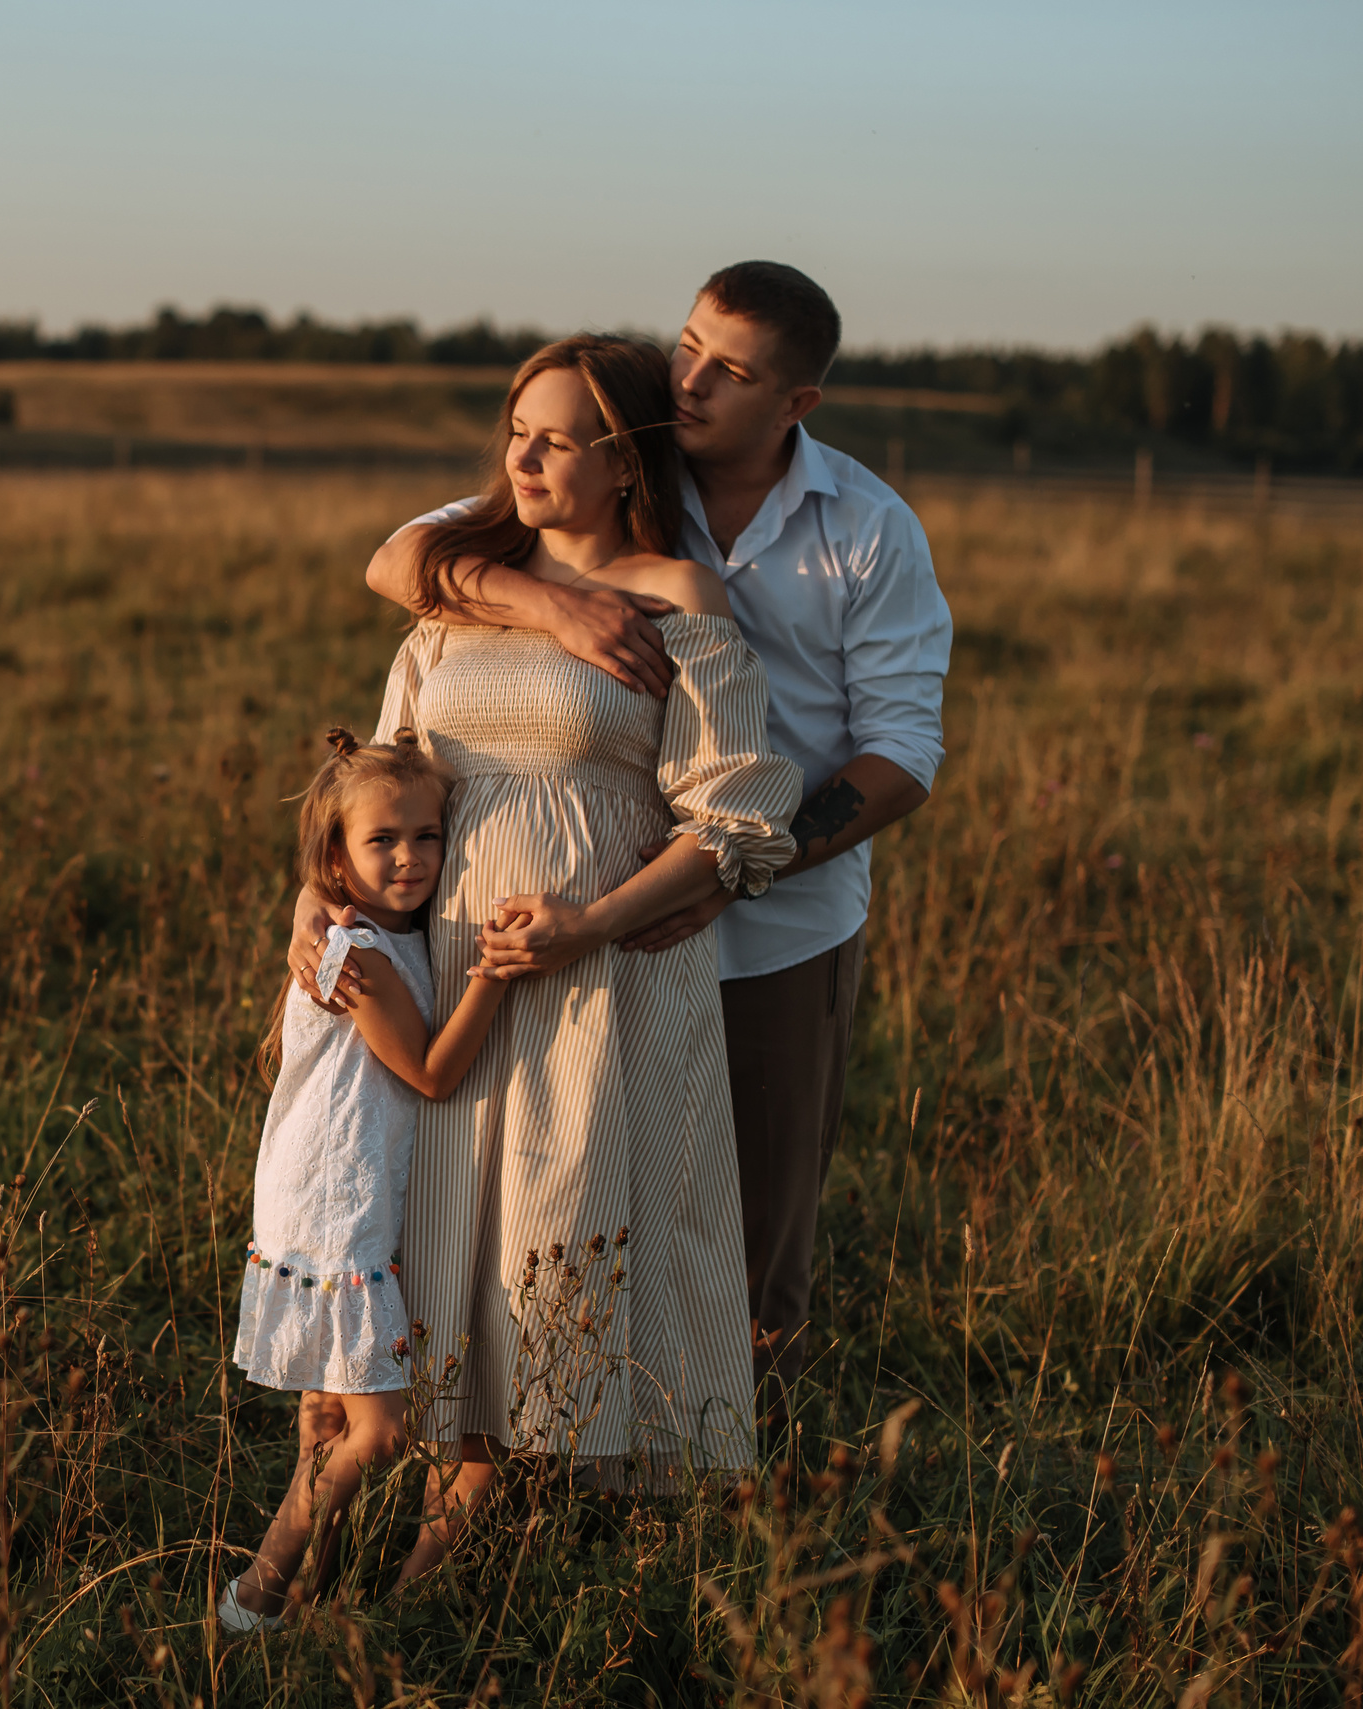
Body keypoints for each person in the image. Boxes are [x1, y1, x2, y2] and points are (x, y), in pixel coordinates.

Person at [326, 262, 954, 1430]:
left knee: (740, 1229)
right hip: (551, 929)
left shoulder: (865, 529)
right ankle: (539, 1450)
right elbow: (400, 557)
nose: (691, 380)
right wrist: (553, 604)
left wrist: (734, 868)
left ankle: (732, 1483)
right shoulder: (611, 449)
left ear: (796, 402)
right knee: (535, 1192)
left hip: (775, 921)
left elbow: (902, 751)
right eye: (687, 345)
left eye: (732, 370)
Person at [298, 333, 801, 1574]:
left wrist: (593, 920)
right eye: (515, 431)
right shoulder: (462, 587)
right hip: (445, 972)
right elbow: (379, 777)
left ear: (622, 460)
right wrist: (315, 901)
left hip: (594, 977)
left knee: (556, 1234)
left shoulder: (677, 597)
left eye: (556, 439)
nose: (521, 458)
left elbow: (735, 815)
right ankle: (376, 1534)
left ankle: (466, 1554)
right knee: (433, 1224)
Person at [220, 727, 512, 1632]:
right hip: (335, 1203)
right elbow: (430, 1073)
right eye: (383, 839)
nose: (411, 857)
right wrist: (495, 977)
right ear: (337, 857)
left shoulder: (389, 934)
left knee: (327, 1419)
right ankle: (258, 1589)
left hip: (334, 1187)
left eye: (427, 836)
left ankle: (304, 1590)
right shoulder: (361, 956)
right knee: (380, 1432)